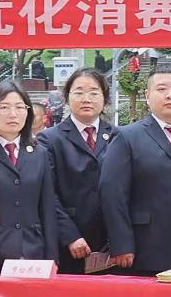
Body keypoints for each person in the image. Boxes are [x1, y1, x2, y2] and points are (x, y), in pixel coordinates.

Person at [100, 64, 171, 275]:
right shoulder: (127, 137)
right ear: (147, 95)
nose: (170, 95)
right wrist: (121, 242)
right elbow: (112, 192)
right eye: (161, 89)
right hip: (145, 247)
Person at [0, 84, 67, 273]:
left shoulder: (39, 153)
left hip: (34, 253)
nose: (13, 114)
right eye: (4, 107)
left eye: (19, 107)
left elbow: (47, 207)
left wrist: (52, 258)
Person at [39, 66, 117, 274]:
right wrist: (70, 236)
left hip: (112, 243)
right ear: (67, 97)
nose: (86, 99)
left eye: (94, 93)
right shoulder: (49, 139)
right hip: (69, 242)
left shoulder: (118, 136)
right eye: (79, 92)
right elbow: (48, 194)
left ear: (104, 98)